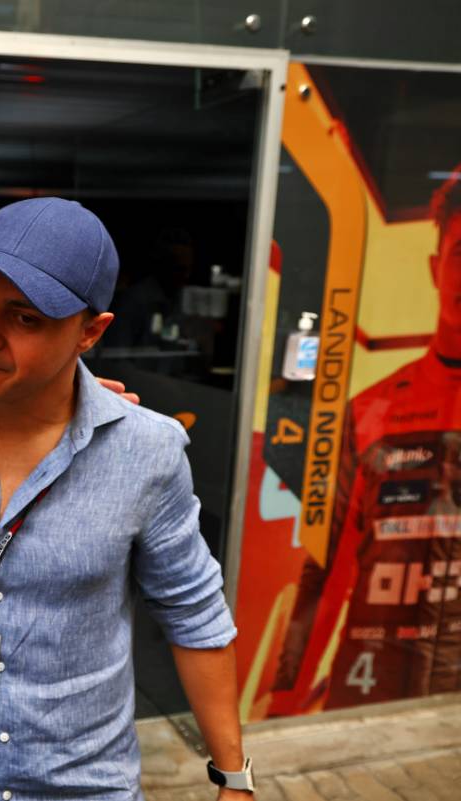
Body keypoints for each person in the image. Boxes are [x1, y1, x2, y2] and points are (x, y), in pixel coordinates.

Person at [0, 197, 252, 800]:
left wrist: (234, 778)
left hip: (81, 786)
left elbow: (195, 617)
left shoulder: (146, 450)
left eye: (26, 319)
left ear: (91, 332)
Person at [274, 165, 461, 712]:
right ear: (436, 267)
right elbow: (322, 566)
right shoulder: (370, 410)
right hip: (367, 690)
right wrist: (287, 687)